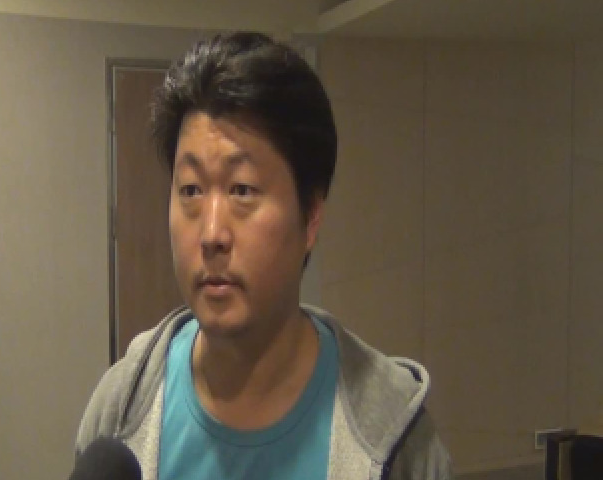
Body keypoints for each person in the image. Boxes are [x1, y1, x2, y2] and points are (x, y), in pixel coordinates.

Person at [76, 31, 452, 480]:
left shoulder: (397, 441)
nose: (211, 234)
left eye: (242, 190)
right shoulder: (120, 408)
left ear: (310, 217)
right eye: (191, 190)